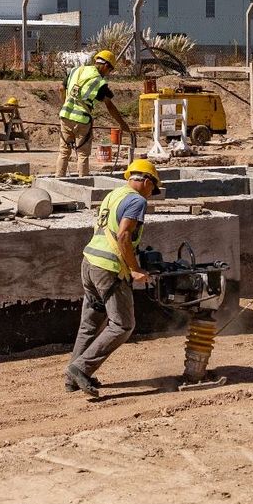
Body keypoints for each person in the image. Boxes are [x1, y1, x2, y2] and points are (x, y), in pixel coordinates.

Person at [65, 158, 161, 397]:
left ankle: (72, 378)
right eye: (153, 189)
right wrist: (136, 269)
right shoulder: (137, 201)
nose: (152, 194)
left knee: (89, 323)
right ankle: (81, 368)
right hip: (108, 268)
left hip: (89, 262)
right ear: (147, 181)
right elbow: (123, 236)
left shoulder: (114, 194)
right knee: (123, 325)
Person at [56, 49, 132, 176]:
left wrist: (65, 104)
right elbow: (109, 105)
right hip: (82, 120)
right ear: (106, 65)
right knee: (82, 154)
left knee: (64, 152)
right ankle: (83, 182)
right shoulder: (99, 82)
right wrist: (122, 123)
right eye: (110, 70)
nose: (108, 73)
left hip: (65, 117)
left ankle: (58, 180)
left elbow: (61, 88)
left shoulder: (76, 70)